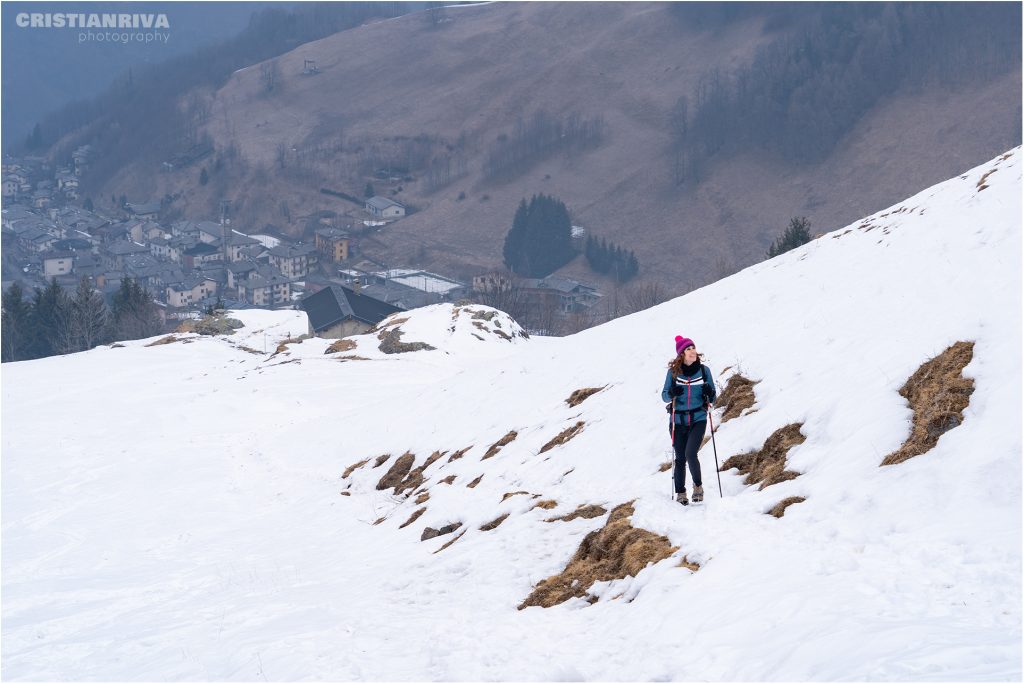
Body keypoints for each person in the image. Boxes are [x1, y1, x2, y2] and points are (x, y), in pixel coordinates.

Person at [661, 335, 717, 505]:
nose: (693, 351)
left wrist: (709, 392)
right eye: (688, 349)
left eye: (693, 348)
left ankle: (698, 487)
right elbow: (664, 396)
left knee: (690, 453)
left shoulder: (704, 371)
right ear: (682, 354)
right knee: (680, 458)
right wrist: (672, 393)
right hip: (677, 421)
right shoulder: (673, 373)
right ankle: (680, 493)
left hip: (698, 418)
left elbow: (713, 398)